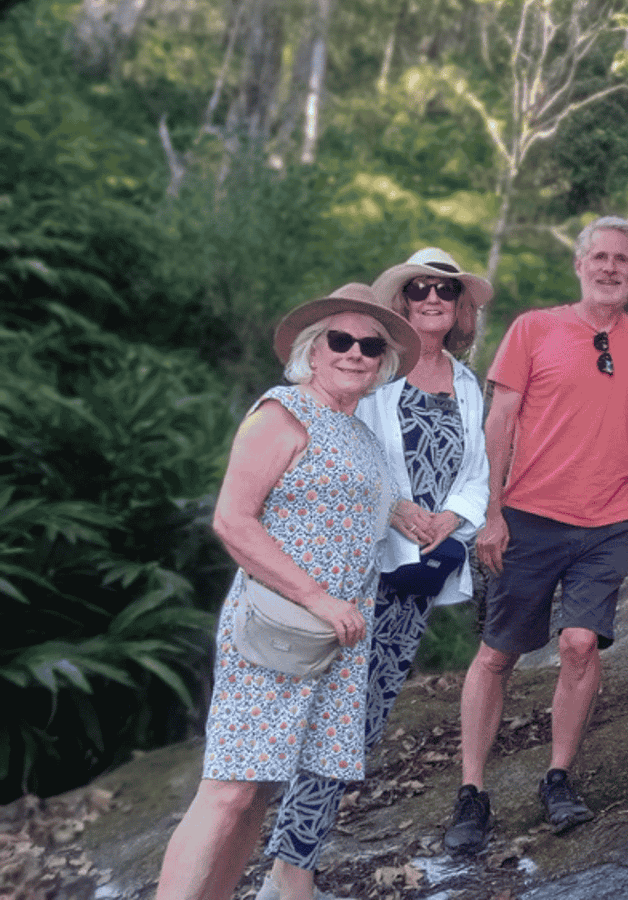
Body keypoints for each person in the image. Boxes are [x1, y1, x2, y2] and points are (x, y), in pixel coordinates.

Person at [154, 284, 421, 900]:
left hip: (334, 639)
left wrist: (412, 513)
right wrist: (317, 597)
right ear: (313, 349)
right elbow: (232, 520)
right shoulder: (282, 413)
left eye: (371, 346)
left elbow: (346, 502)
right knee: (229, 788)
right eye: (341, 339)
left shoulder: (357, 432)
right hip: (280, 625)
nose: (355, 353)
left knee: (260, 790)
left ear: (382, 361)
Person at [254, 249, 491, 900]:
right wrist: (396, 510)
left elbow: (476, 471)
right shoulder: (372, 369)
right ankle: (290, 875)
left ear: (460, 307)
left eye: (446, 289)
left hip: (417, 577)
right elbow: (340, 454)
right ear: (401, 302)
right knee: (330, 720)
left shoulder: (467, 383)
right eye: (419, 288)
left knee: (361, 723)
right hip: (354, 569)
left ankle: (290, 870)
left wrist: (452, 520)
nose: (432, 297)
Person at [442, 217, 628, 850]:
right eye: (600, 257)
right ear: (579, 265)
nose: (611, 268)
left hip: (609, 522)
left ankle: (557, 777)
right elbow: (499, 423)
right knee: (498, 654)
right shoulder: (534, 329)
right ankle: (471, 792)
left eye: (623, 260)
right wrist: (492, 513)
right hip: (528, 516)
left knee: (579, 645)